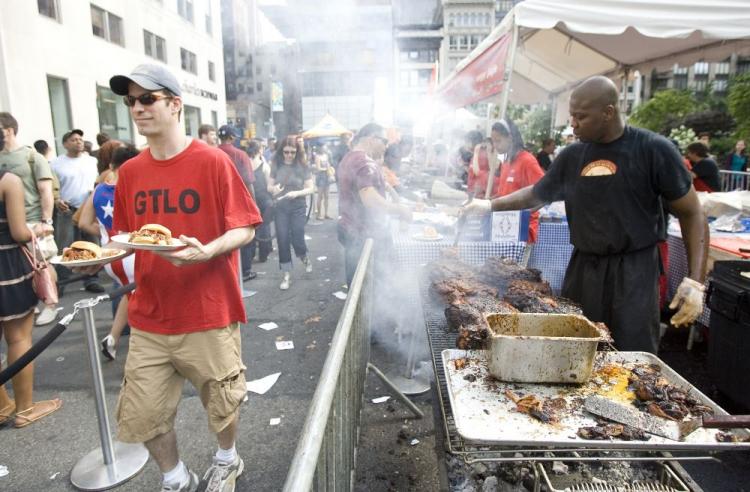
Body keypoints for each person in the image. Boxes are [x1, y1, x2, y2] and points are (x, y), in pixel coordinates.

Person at [81, 63, 261, 492]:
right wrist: (91, 257)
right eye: (131, 102)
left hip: (208, 310)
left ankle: (227, 459)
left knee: (222, 403)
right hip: (149, 315)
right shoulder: (131, 173)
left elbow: (246, 225)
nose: (137, 109)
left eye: (147, 99)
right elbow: (127, 237)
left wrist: (208, 249)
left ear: (175, 105)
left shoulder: (213, 161)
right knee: (144, 412)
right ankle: (176, 477)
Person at [463, 76, 709, 354]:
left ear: (608, 112)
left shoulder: (653, 150)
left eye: (581, 117)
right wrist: (489, 206)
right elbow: (536, 193)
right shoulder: (572, 156)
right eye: (572, 116)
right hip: (583, 268)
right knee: (573, 346)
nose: (573, 124)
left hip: (634, 270)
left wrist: (695, 281)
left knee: (632, 351)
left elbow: (693, 213)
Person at [0, 166, 62, 428]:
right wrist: (37, 229)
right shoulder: (8, 180)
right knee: (18, 337)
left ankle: (2, 406)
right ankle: (25, 408)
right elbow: (18, 233)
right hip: (7, 267)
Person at [78, 144, 139, 360]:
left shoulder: (98, 190)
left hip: (109, 256)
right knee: (140, 301)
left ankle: (112, 339)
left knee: (128, 295)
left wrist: (105, 235)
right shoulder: (135, 189)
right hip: (131, 253)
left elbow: (84, 222)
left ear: (112, 165)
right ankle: (140, 348)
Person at [0, 113, 60, 326]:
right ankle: (31, 302)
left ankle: (51, 304)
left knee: (42, 264)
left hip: (33, 220)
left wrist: (46, 221)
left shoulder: (32, 157)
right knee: (20, 268)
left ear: (8, 129)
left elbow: (45, 191)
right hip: (7, 226)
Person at [337, 123, 412, 287]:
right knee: (368, 286)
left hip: (350, 229)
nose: (387, 146)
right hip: (363, 234)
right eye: (384, 141)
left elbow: (377, 187)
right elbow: (370, 199)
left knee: (356, 284)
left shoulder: (350, 158)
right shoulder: (364, 162)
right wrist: (399, 210)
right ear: (372, 138)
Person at [51, 128, 103, 293]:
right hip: (67, 210)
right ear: (65, 144)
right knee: (65, 247)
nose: (79, 142)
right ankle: (61, 283)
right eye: (74, 139)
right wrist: (57, 199)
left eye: (80, 139)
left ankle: (91, 280)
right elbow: (51, 187)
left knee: (91, 244)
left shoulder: (91, 161)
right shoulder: (56, 163)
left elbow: (99, 180)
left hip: (89, 208)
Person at [268, 135, 314, 290]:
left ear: (297, 152)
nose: (289, 155)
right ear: (281, 151)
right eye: (286, 152)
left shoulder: (302, 166)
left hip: (298, 206)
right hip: (281, 207)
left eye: (292, 152)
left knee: (297, 236)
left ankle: (304, 256)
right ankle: (286, 275)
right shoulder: (276, 164)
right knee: (282, 239)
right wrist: (273, 189)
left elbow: (311, 188)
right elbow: (269, 186)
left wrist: (297, 193)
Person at [489, 118, 545, 242]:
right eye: (493, 141)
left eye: (498, 141)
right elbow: (505, 193)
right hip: (503, 228)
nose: (495, 145)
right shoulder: (506, 162)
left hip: (523, 229)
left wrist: (527, 213)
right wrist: (487, 202)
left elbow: (546, 192)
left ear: (510, 138)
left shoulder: (527, 161)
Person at [217, 124, 257, 280]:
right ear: (232, 137)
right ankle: (245, 272)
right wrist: (253, 205)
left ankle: (226, 273)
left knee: (221, 238)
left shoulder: (211, 153)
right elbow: (248, 182)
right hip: (237, 203)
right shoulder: (240, 155)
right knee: (242, 237)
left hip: (217, 204)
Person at [245, 141, 274, 264]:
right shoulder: (264, 166)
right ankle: (263, 254)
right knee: (265, 226)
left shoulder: (245, 164)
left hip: (250, 200)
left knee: (251, 227)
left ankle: (250, 254)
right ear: (259, 151)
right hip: (265, 200)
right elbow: (269, 186)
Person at [313, 146, 333, 220]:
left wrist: (329, 168)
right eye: (323, 147)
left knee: (327, 196)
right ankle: (318, 214)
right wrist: (326, 168)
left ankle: (326, 214)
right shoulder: (317, 157)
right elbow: (318, 168)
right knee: (320, 196)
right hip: (321, 177)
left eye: (325, 147)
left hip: (326, 176)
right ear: (320, 148)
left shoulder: (326, 155)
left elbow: (328, 164)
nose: (324, 148)